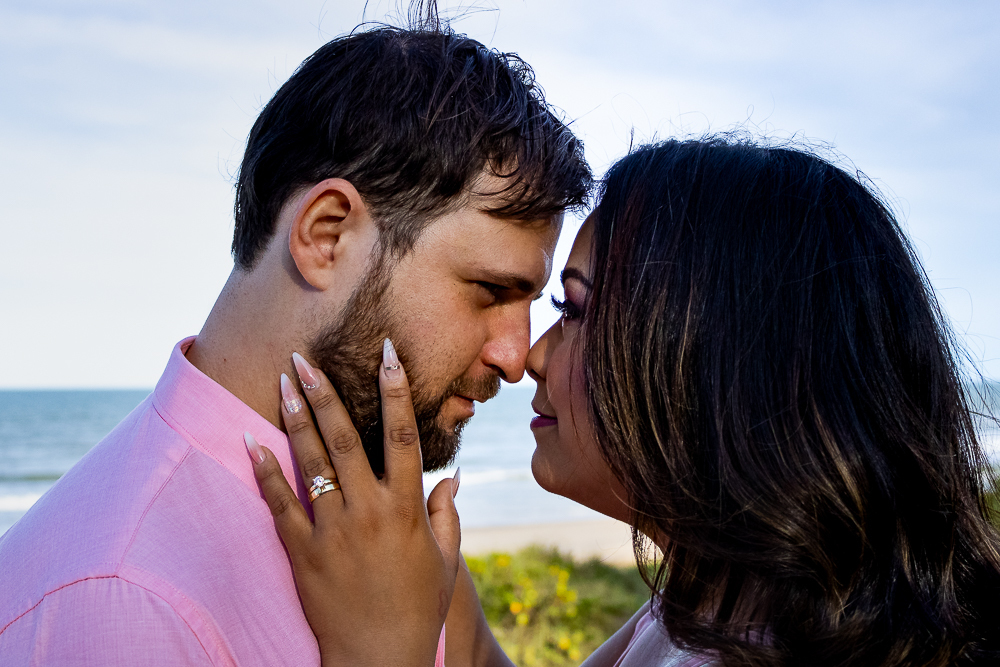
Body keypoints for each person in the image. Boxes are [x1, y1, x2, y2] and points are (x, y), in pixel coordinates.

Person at [260, 137, 1000, 666]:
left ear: (708, 360)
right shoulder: (732, 594)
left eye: (575, 310)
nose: (530, 356)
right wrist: (441, 600)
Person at [0, 9, 591, 665]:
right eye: (488, 290)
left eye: (534, 302)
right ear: (326, 234)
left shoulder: (384, 522)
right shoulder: (122, 604)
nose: (516, 356)